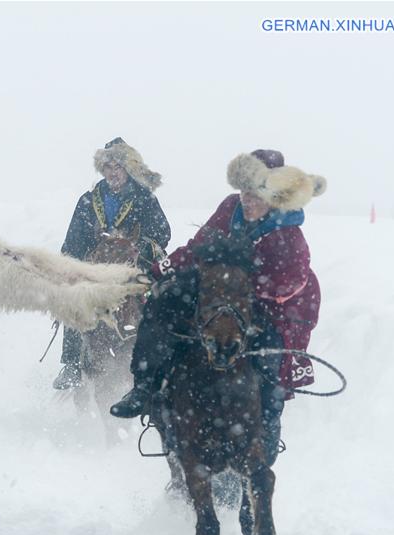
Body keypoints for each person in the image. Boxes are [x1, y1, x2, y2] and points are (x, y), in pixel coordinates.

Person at [109, 149, 326, 462]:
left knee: (270, 361)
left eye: (256, 196)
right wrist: (157, 273)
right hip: (220, 287)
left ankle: (266, 432)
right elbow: (198, 247)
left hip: (273, 305)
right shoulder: (230, 208)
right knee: (163, 303)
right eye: (244, 193)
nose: (247, 201)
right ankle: (144, 386)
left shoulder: (288, 233)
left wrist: (238, 284)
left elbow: (288, 283)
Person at [52, 137, 171, 390]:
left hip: (133, 266)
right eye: (108, 167)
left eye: (117, 167)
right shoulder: (88, 200)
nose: (113, 172)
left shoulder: (144, 199)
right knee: (74, 302)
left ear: (127, 169)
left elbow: (162, 233)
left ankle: (159, 361)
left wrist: (136, 247)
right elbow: (73, 239)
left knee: (160, 302)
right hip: (94, 268)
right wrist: (74, 264)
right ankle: (72, 363)